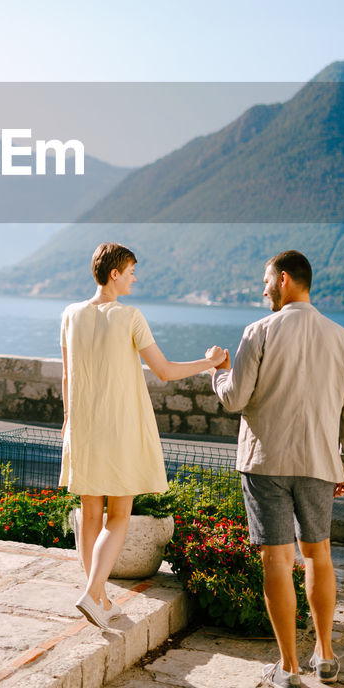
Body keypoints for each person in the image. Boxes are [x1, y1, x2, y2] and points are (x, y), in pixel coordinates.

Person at [208, 250, 344, 688]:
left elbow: (235, 398)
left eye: (265, 282)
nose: (262, 290)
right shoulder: (342, 338)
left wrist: (219, 371)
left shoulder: (258, 332)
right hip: (319, 462)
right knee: (319, 555)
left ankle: (289, 668)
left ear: (283, 279)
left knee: (277, 561)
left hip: (266, 463)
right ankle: (327, 656)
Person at [60, 241, 228, 630]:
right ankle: (93, 592)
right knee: (118, 515)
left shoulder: (69, 314)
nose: (136, 277)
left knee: (89, 514)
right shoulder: (130, 316)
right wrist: (212, 362)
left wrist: (68, 419)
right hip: (120, 428)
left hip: (82, 426)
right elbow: (165, 371)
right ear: (115, 274)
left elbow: (68, 376)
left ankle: (98, 596)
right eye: (132, 271)